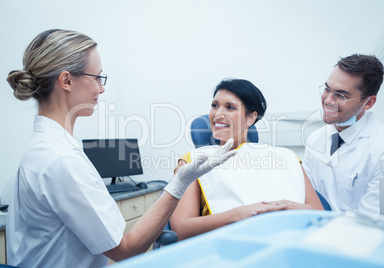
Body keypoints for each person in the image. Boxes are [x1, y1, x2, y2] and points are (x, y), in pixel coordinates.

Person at [6, 29, 236, 268]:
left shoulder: (46, 148)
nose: (101, 88)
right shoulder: (61, 160)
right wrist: (180, 183)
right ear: (66, 81)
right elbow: (126, 249)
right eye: (97, 77)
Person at [170, 79, 323, 241]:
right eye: (215, 105)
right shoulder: (192, 160)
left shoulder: (286, 157)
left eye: (230, 107)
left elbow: (322, 218)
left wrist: (297, 209)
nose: (217, 114)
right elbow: (181, 229)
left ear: (251, 118)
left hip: (296, 243)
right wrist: (239, 214)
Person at [303, 54, 384, 215]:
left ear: (368, 102)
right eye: (327, 89)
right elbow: (306, 197)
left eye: (341, 95)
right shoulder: (315, 139)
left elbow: (370, 219)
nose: (328, 100)